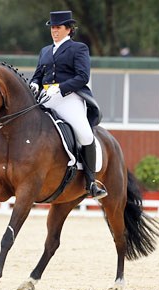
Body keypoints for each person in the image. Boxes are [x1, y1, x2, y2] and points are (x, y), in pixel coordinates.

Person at [30, 10, 107, 199]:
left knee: (85, 135)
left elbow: (82, 77)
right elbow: (39, 74)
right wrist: (34, 83)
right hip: (46, 97)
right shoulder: (45, 51)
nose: (54, 31)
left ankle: (91, 183)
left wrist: (61, 88)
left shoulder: (78, 48)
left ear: (68, 29)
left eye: (58, 28)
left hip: (69, 97)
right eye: (52, 28)